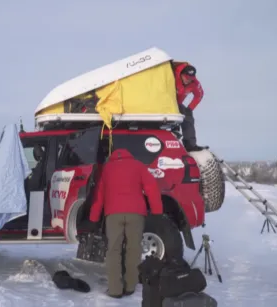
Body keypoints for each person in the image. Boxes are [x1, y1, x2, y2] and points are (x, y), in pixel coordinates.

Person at [87, 148, 164, 298]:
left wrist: (93, 219)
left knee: (113, 250)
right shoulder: (138, 166)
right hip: (136, 214)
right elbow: (151, 188)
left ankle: (115, 290)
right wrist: (157, 211)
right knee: (133, 249)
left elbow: (99, 196)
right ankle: (130, 286)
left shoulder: (107, 168)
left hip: (113, 214)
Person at [173, 61, 205, 152]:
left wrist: (190, 108)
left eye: (191, 78)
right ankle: (173, 134)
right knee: (174, 117)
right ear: (181, 74)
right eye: (186, 78)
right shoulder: (172, 77)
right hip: (164, 103)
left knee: (188, 116)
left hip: (177, 104)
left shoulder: (194, 83)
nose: (188, 80)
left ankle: (190, 145)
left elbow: (199, 95)